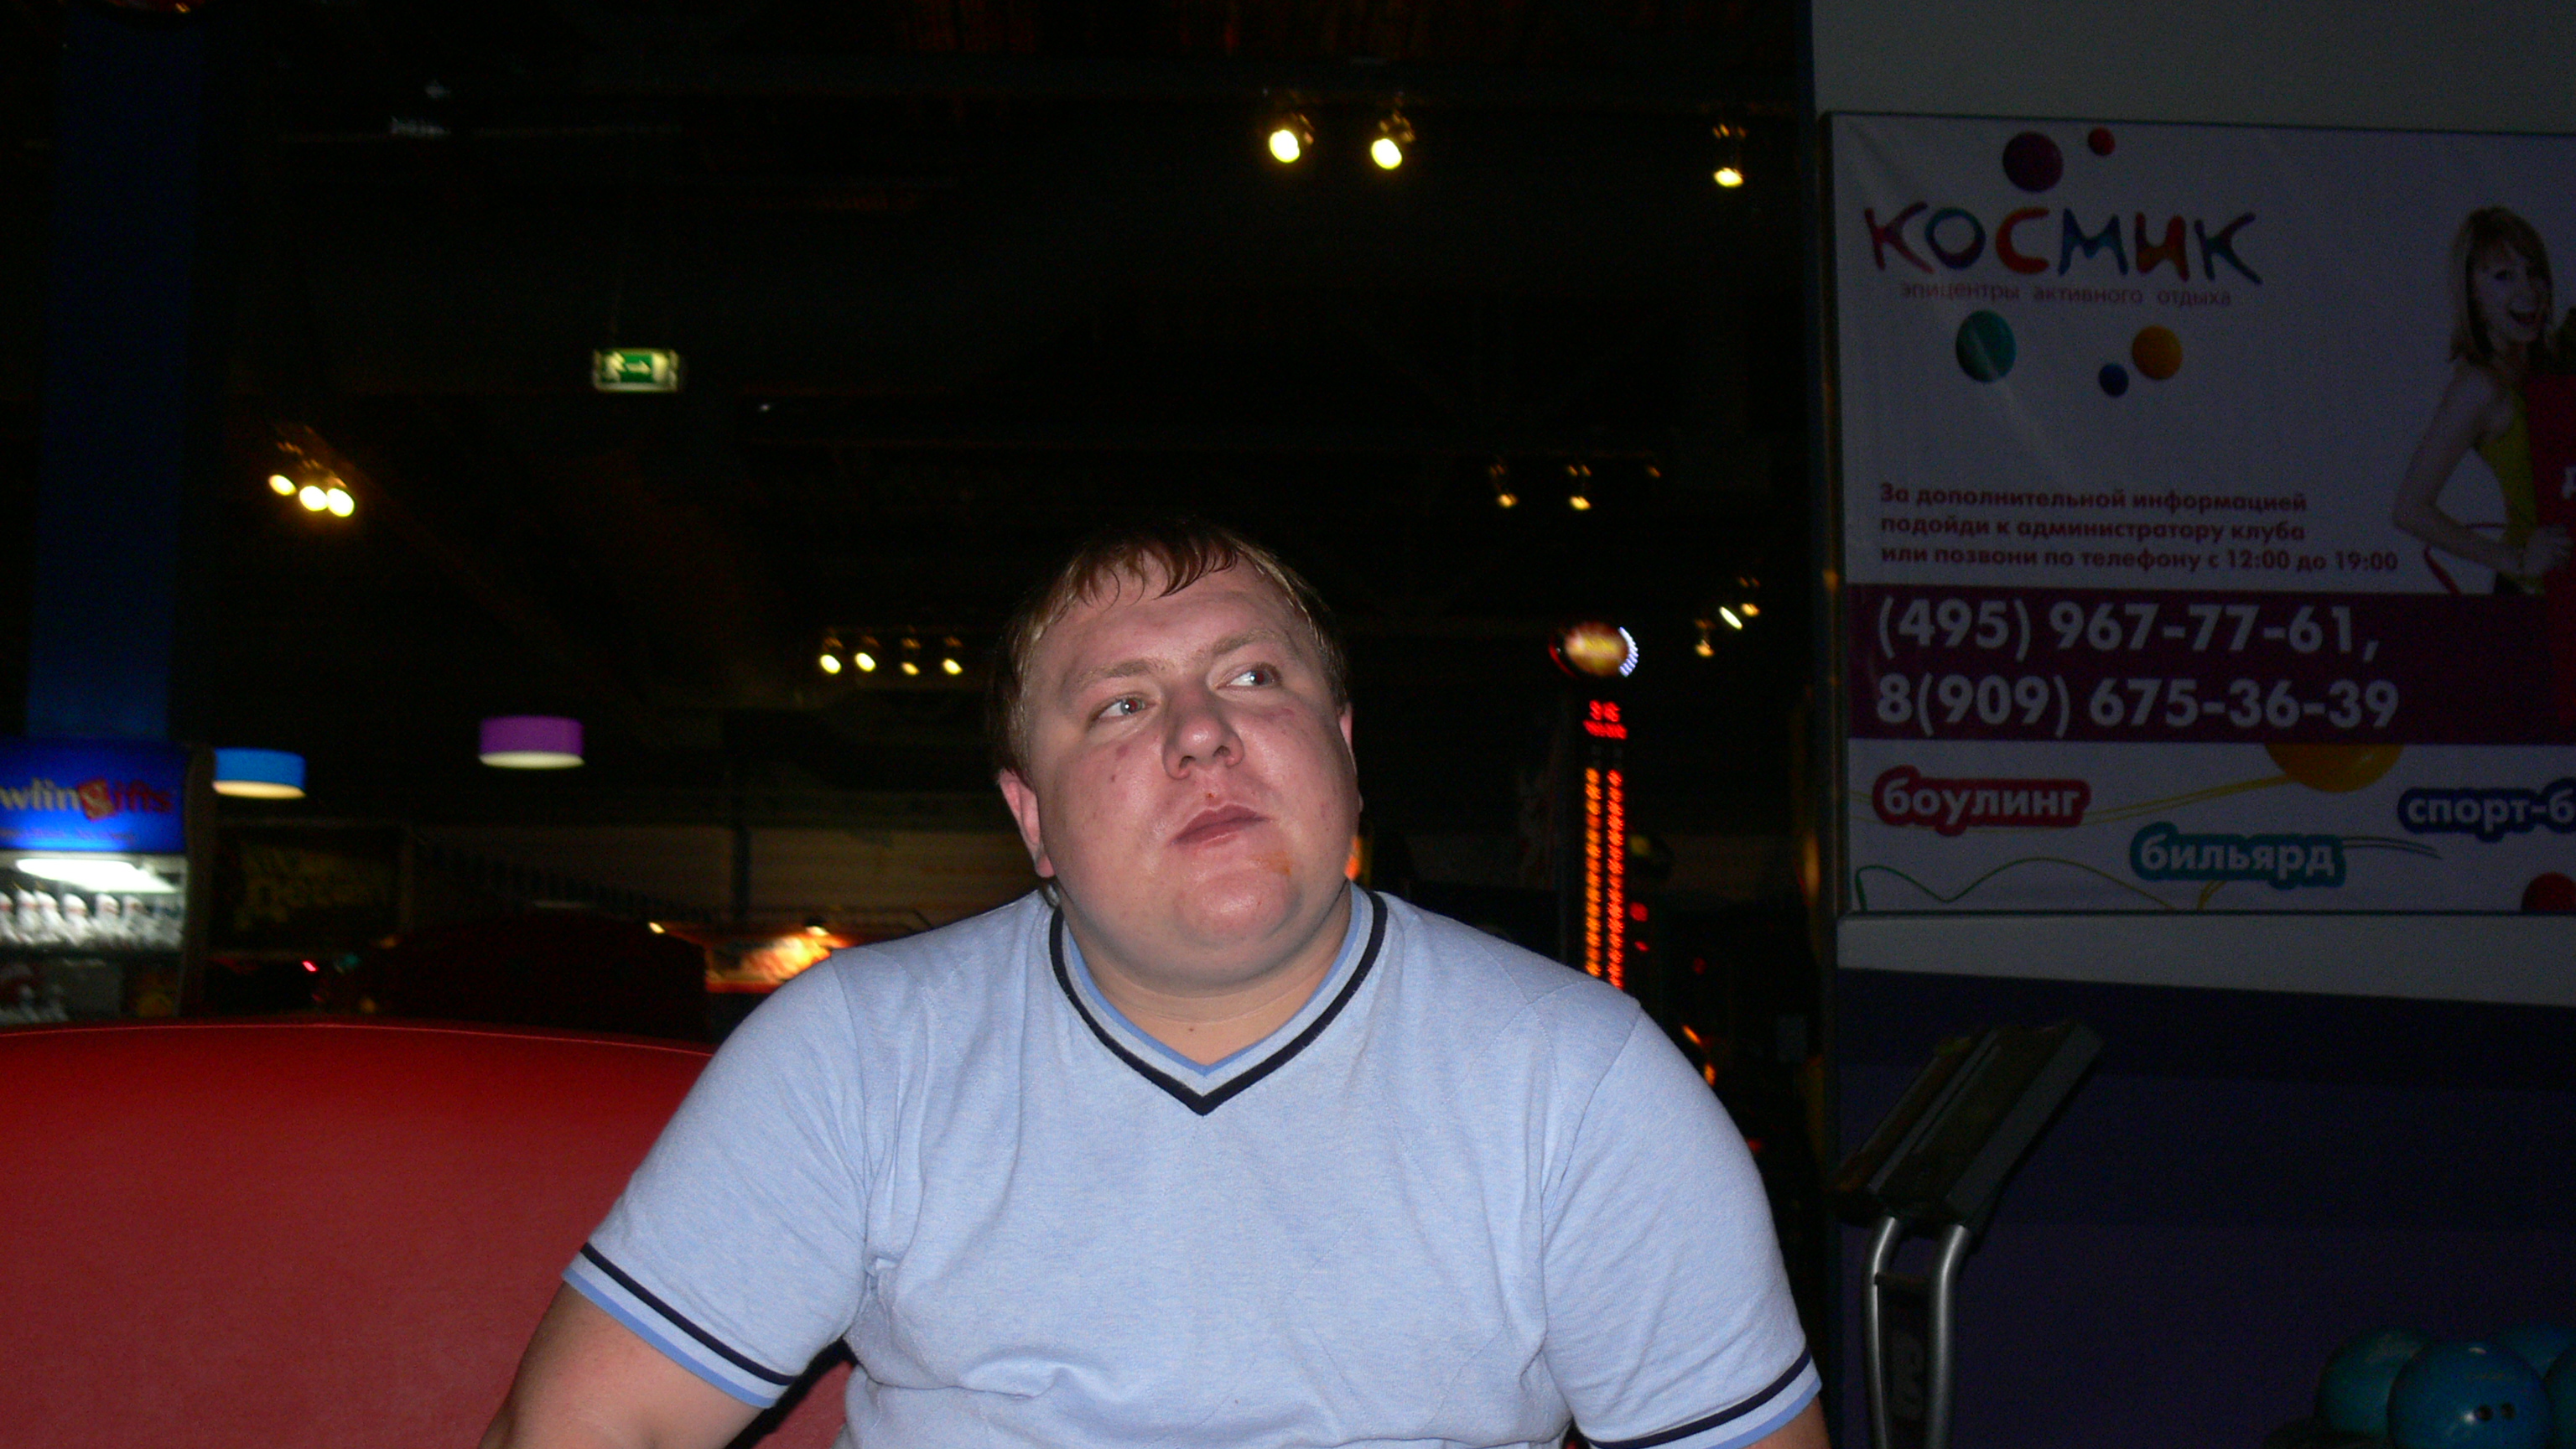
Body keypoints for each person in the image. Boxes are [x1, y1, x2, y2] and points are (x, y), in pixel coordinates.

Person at [480, 520, 1825, 1449]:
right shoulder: (858, 1051)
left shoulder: (1582, 1083)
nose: (1202, 732)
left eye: (1253, 676)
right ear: (1033, 820)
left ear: (1345, 751)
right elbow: (588, 1425)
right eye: (1121, 704)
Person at [2392, 206, 2572, 590]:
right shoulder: (2480, 387)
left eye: (2534, 272)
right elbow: (2410, 509)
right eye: (2504, 276)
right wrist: (2517, 560)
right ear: (2472, 292)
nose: (2528, 291)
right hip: (2536, 602)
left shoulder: (2552, 362)